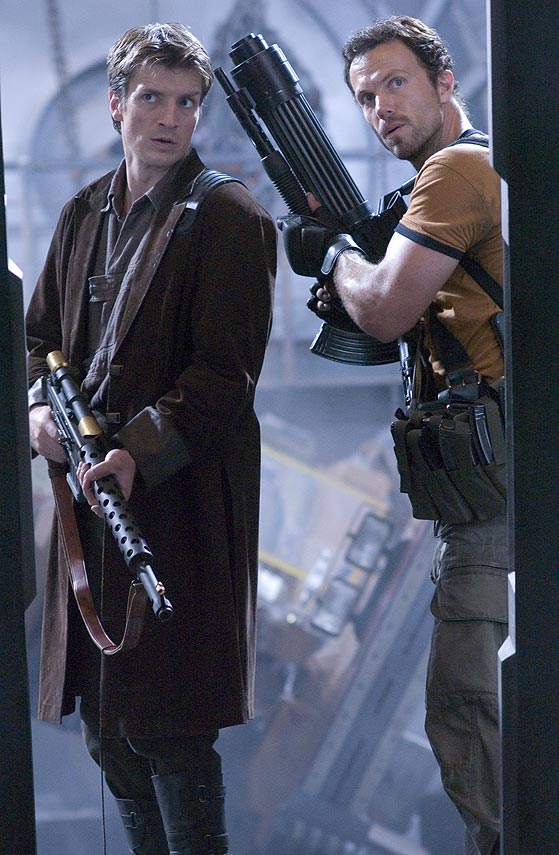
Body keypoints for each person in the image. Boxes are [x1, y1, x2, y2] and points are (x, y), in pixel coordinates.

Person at [26, 22, 276, 855]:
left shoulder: (230, 216)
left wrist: (136, 450)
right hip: (90, 502)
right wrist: (37, 414)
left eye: (186, 102)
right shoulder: (81, 213)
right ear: (116, 105)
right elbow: (35, 342)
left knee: (171, 726)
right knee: (106, 728)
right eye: (152, 98)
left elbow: (225, 375)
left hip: (179, 505)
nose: (170, 118)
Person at [283, 16, 507, 855]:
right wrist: (355, 279)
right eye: (364, 95)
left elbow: (381, 307)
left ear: (445, 83)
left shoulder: (454, 169)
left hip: (495, 482)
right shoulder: (448, 179)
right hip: (480, 482)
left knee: (465, 702)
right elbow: (401, 319)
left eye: (395, 83)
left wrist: (339, 258)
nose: (380, 106)